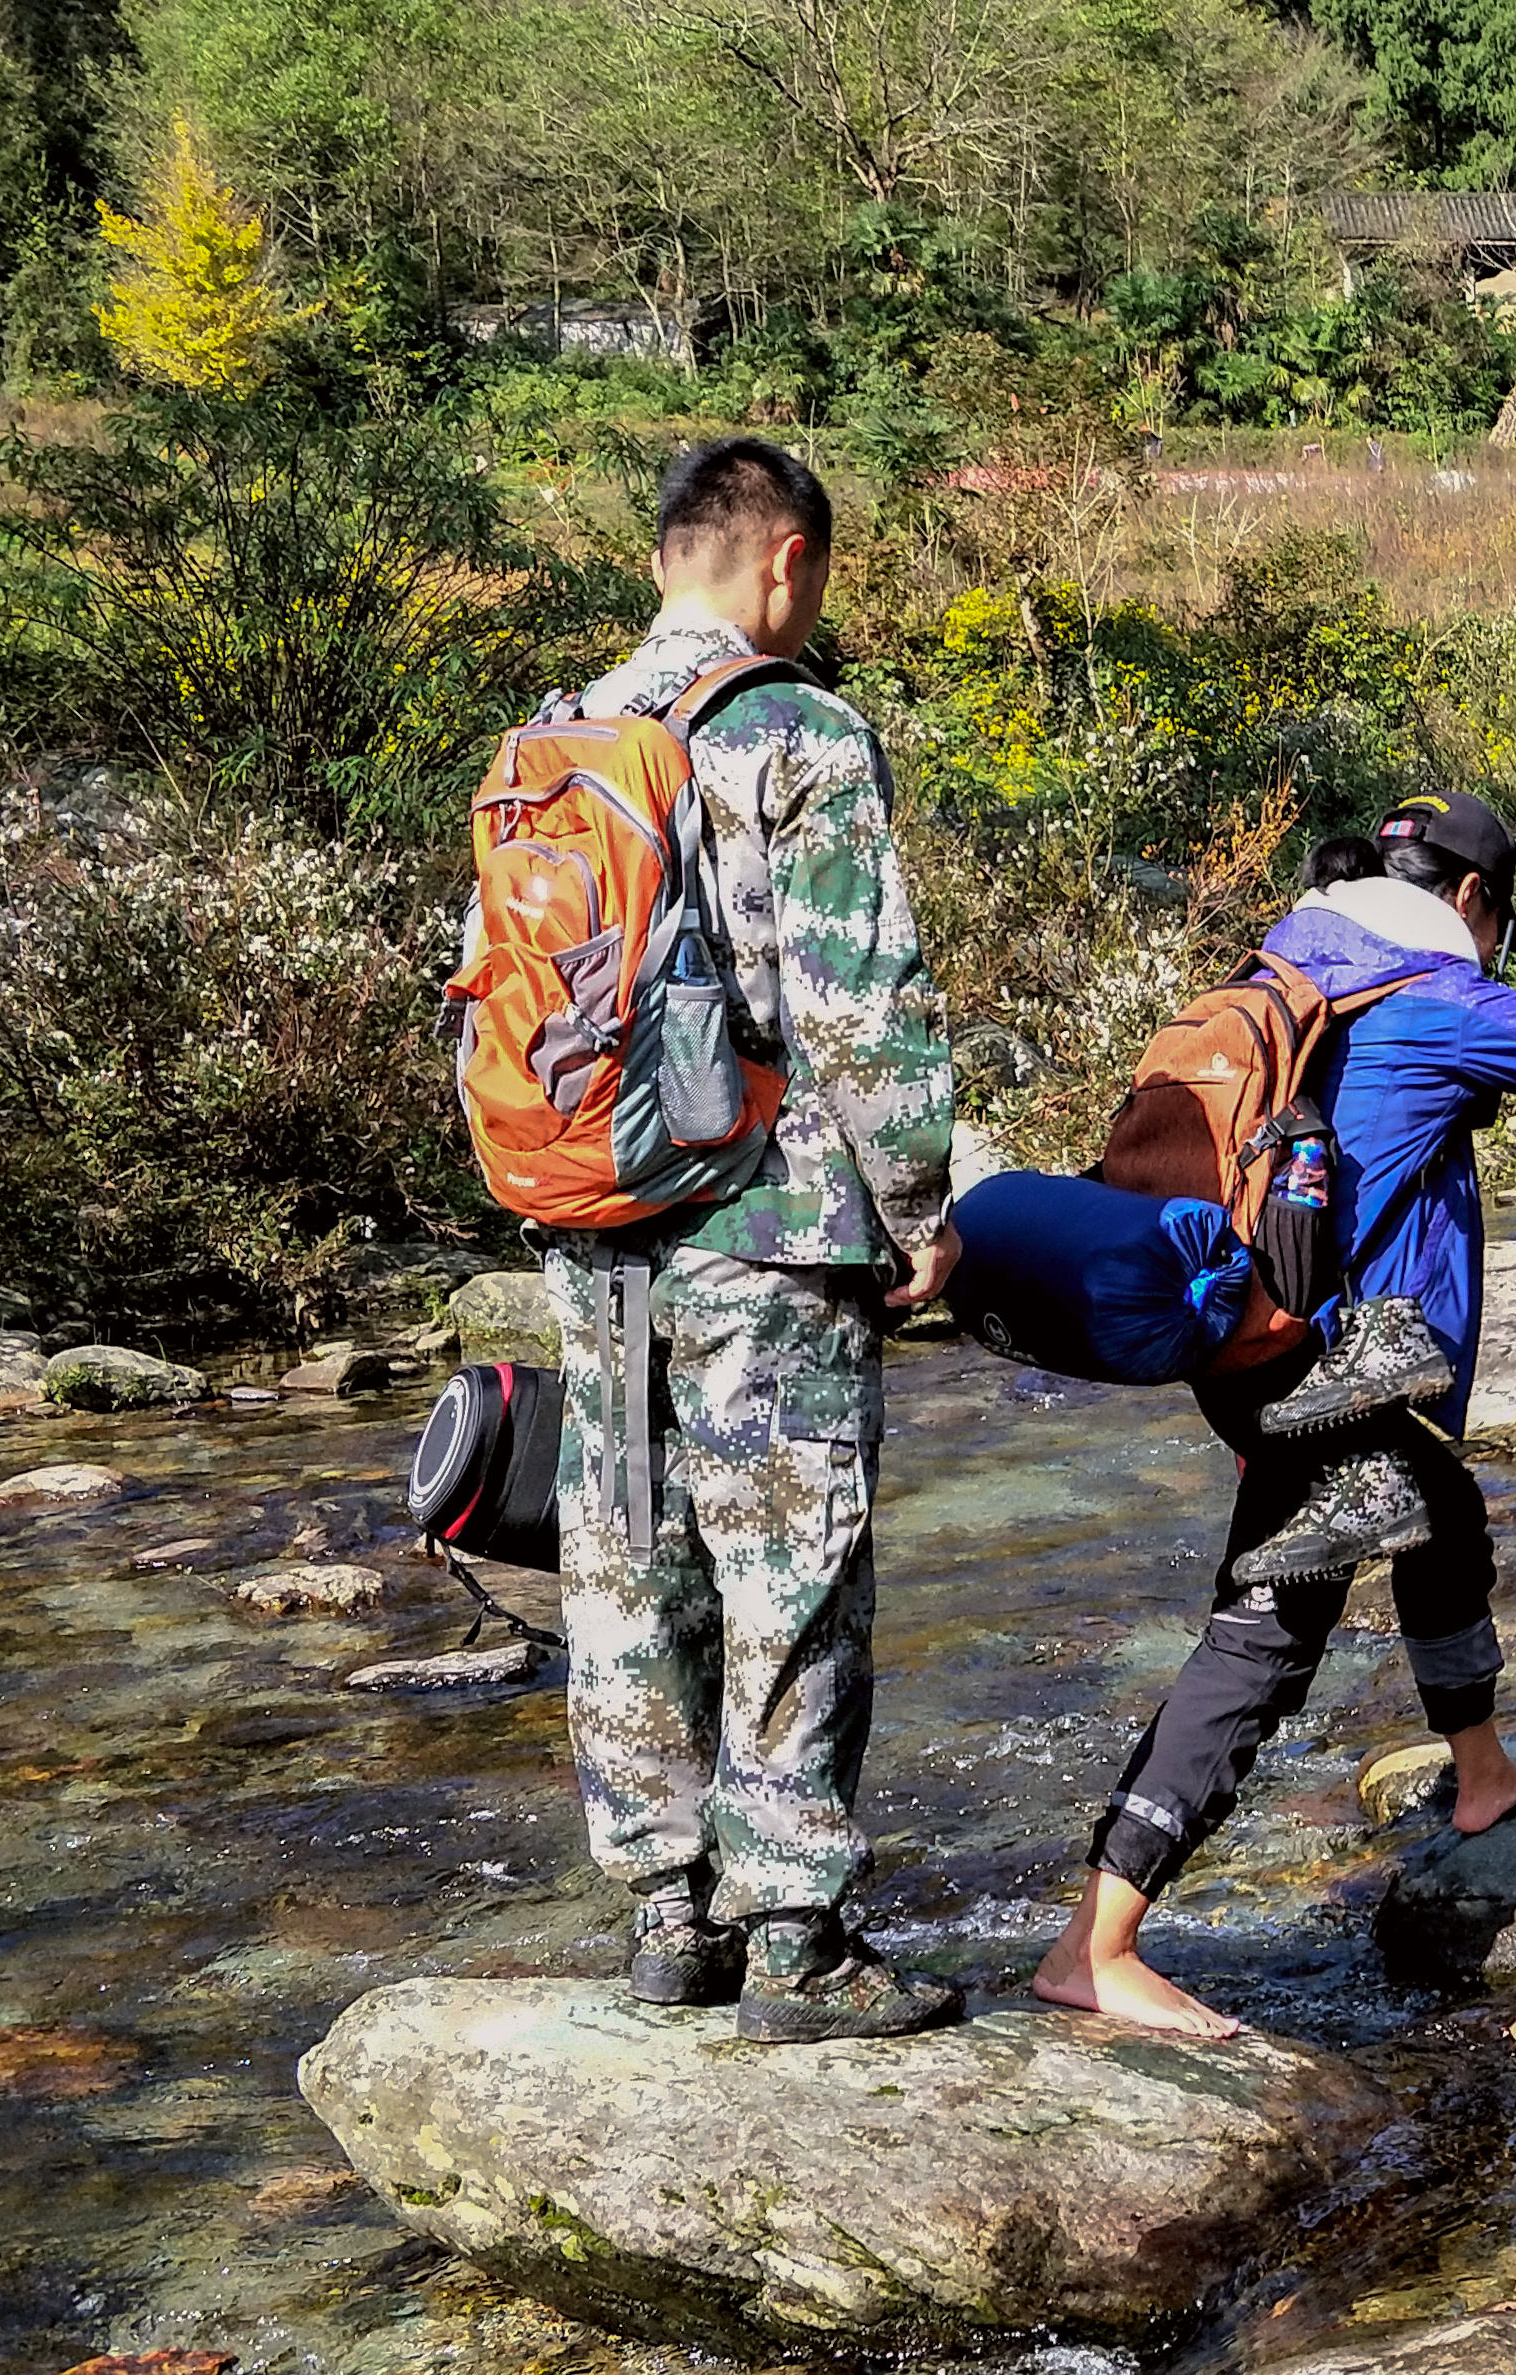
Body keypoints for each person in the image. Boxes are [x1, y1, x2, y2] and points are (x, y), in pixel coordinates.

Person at [1032, 788, 1516, 2038]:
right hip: (1345, 1368)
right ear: (1470, 897)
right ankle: (1097, 1941)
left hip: (1270, 1342)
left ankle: (1480, 1772)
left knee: (1446, 1520)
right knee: (1268, 1632)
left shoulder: (1295, 971)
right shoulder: (1430, 995)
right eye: (1499, 913)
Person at [548, 437, 965, 2044]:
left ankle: (667, 1915)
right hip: (768, 1225)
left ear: (667, 555)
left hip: (598, 1230)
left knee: (626, 1549)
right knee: (789, 1554)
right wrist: (917, 1207)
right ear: (784, 558)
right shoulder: (795, 728)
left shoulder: (566, 735)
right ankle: (794, 1927)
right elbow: (861, 999)